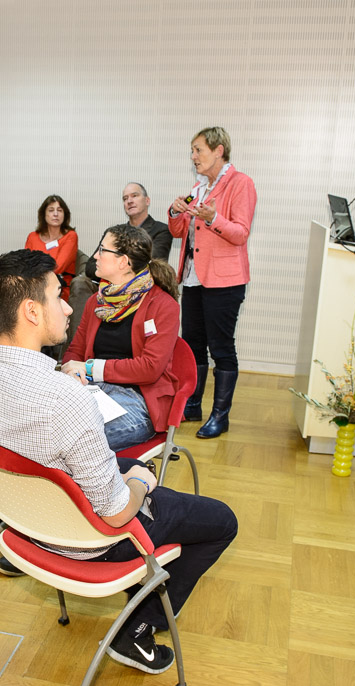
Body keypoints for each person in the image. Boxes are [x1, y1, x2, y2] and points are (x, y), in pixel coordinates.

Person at [0, 248, 238, 671]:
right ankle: (138, 628)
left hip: (26, 523)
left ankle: (140, 586)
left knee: (123, 466)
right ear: (32, 311)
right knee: (220, 521)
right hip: (89, 542)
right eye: (58, 296)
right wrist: (141, 482)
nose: (69, 307)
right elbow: (116, 514)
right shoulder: (66, 398)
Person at [168, 126, 257, 440]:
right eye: (192, 151)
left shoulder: (241, 183)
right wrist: (175, 211)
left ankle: (220, 416)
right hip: (193, 277)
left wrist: (212, 218)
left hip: (225, 280)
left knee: (221, 347)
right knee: (193, 345)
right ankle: (193, 404)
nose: (193, 157)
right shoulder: (199, 187)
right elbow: (178, 231)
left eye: (198, 150)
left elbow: (240, 233)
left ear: (219, 150)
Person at [61, 225, 180, 451]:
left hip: (138, 399)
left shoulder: (163, 306)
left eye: (102, 250)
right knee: (46, 425)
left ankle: (121, 473)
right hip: (92, 389)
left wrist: (89, 368)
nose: (95, 256)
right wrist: (74, 371)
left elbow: (150, 368)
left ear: (123, 262)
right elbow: (75, 350)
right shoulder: (96, 302)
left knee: (77, 441)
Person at [70, 182, 173, 341]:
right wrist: (113, 274)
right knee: (80, 282)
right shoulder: (114, 232)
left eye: (134, 196)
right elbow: (91, 266)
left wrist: (114, 271)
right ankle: (77, 344)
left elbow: (147, 264)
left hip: (140, 287)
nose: (129, 201)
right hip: (109, 286)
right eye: (125, 198)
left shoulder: (161, 230)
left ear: (147, 200)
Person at [23, 194, 78, 301]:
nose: (55, 214)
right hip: (34, 285)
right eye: (51, 210)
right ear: (44, 214)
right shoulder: (32, 237)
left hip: (59, 286)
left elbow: (58, 266)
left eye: (59, 210)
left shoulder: (70, 236)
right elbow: (26, 264)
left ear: (65, 215)